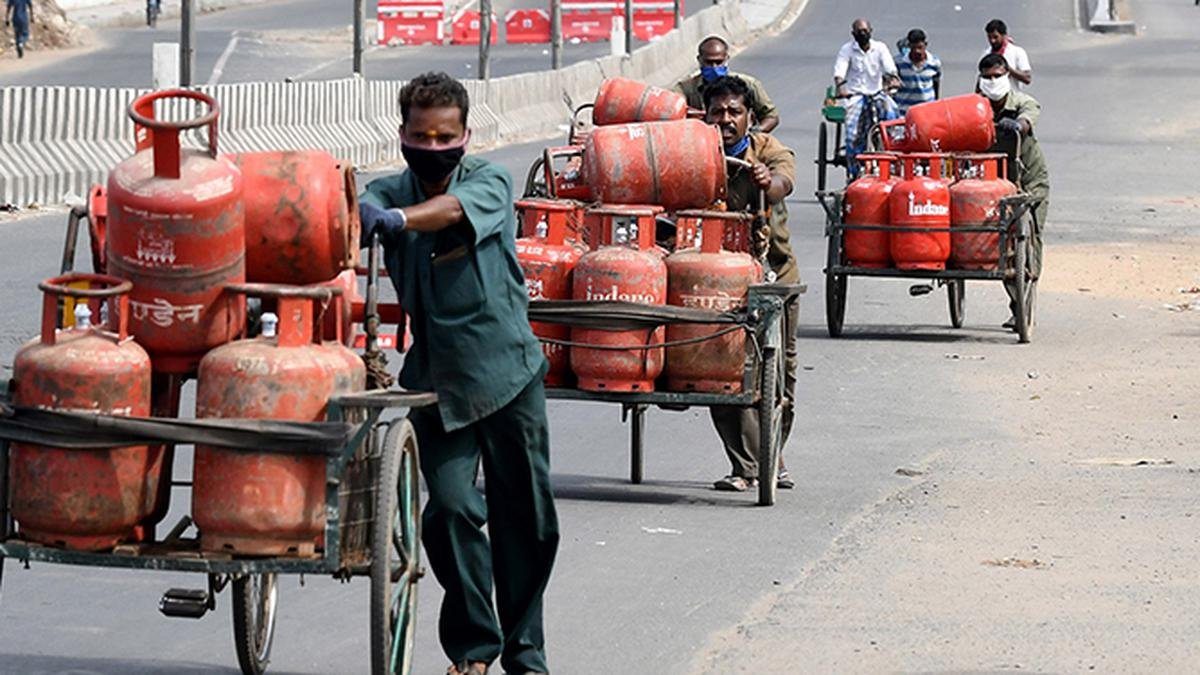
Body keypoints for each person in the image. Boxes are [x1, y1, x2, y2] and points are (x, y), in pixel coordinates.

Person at [357, 71, 558, 675]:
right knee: (446, 511)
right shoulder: (388, 189)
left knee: (526, 521)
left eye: (447, 135)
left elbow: (448, 212)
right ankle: (474, 649)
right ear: (403, 134)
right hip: (436, 381)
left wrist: (398, 221)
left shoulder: (488, 181)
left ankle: (526, 656)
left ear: (466, 134)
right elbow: (355, 211)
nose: (435, 145)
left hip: (507, 374)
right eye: (423, 135)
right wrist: (357, 213)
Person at [702, 75, 799, 492]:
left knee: (779, 373)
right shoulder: (694, 153)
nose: (726, 120)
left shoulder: (770, 150)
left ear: (750, 118)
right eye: (717, 112)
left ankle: (771, 453)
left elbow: (783, 183)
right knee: (716, 370)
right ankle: (745, 466)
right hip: (714, 280)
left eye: (734, 113)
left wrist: (766, 182)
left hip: (774, 276)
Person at [978, 53, 1049, 329]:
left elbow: (1030, 115)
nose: (993, 81)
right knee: (999, 240)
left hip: (1030, 179)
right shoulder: (978, 106)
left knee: (1029, 238)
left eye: (997, 76)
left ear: (1006, 75)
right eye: (987, 77)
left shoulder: (1020, 101)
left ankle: (1023, 301)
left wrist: (1017, 125)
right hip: (996, 182)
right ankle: (1016, 299)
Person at [674, 34, 780, 132]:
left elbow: (771, 116)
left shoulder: (748, 85)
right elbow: (673, 110)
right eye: (709, 62)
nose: (714, 67)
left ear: (726, 59)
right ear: (700, 60)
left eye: (719, 62)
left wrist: (756, 133)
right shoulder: (686, 89)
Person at [833, 18, 900, 174]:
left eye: (865, 31)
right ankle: (854, 172)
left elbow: (889, 68)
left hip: (877, 94)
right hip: (855, 96)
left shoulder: (880, 48)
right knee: (851, 134)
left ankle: (891, 158)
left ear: (871, 31)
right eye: (859, 32)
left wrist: (893, 79)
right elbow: (839, 72)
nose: (862, 34)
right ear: (853, 34)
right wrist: (841, 87)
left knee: (892, 114)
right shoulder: (847, 50)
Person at [894, 28, 941, 114]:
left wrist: (935, 104)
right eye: (913, 48)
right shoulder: (898, 62)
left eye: (920, 47)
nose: (917, 51)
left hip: (927, 112)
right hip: (905, 112)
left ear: (925, 45)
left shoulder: (934, 63)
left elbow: (936, 83)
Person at [980, 19, 1032, 89]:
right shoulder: (986, 54)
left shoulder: (1017, 52)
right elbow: (980, 79)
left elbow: (1027, 78)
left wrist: (1007, 69)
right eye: (989, 37)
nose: (992, 41)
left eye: (995, 37)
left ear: (1004, 35)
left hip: (1011, 96)